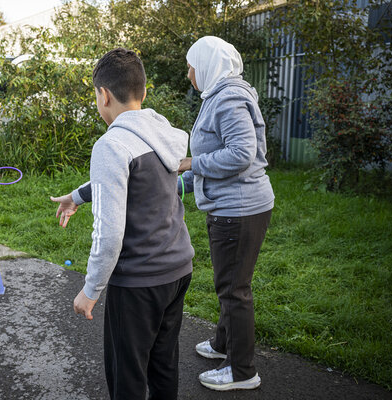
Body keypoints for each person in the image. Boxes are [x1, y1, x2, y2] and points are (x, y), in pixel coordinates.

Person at [50, 48, 194, 400]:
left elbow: (110, 232)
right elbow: (136, 184)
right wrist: (77, 196)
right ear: (143, 93)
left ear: (104, 95)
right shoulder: (163, 134)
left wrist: (91, 288)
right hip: (178, 270)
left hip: (139, 282)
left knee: (126, 375)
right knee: (163, 365)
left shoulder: (111, 145)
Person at [178, 36, 274, 391]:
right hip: (236, 205)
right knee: (229, 283)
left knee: (234, 289)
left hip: (239, 209)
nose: (189, 73)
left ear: (206, 65)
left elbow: (240, 154)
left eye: (191, 65)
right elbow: (219, 154)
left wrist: (192, 162)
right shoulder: (220, 95)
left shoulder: (229, 97)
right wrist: (181, 182)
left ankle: (242, 371)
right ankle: (223, 346)